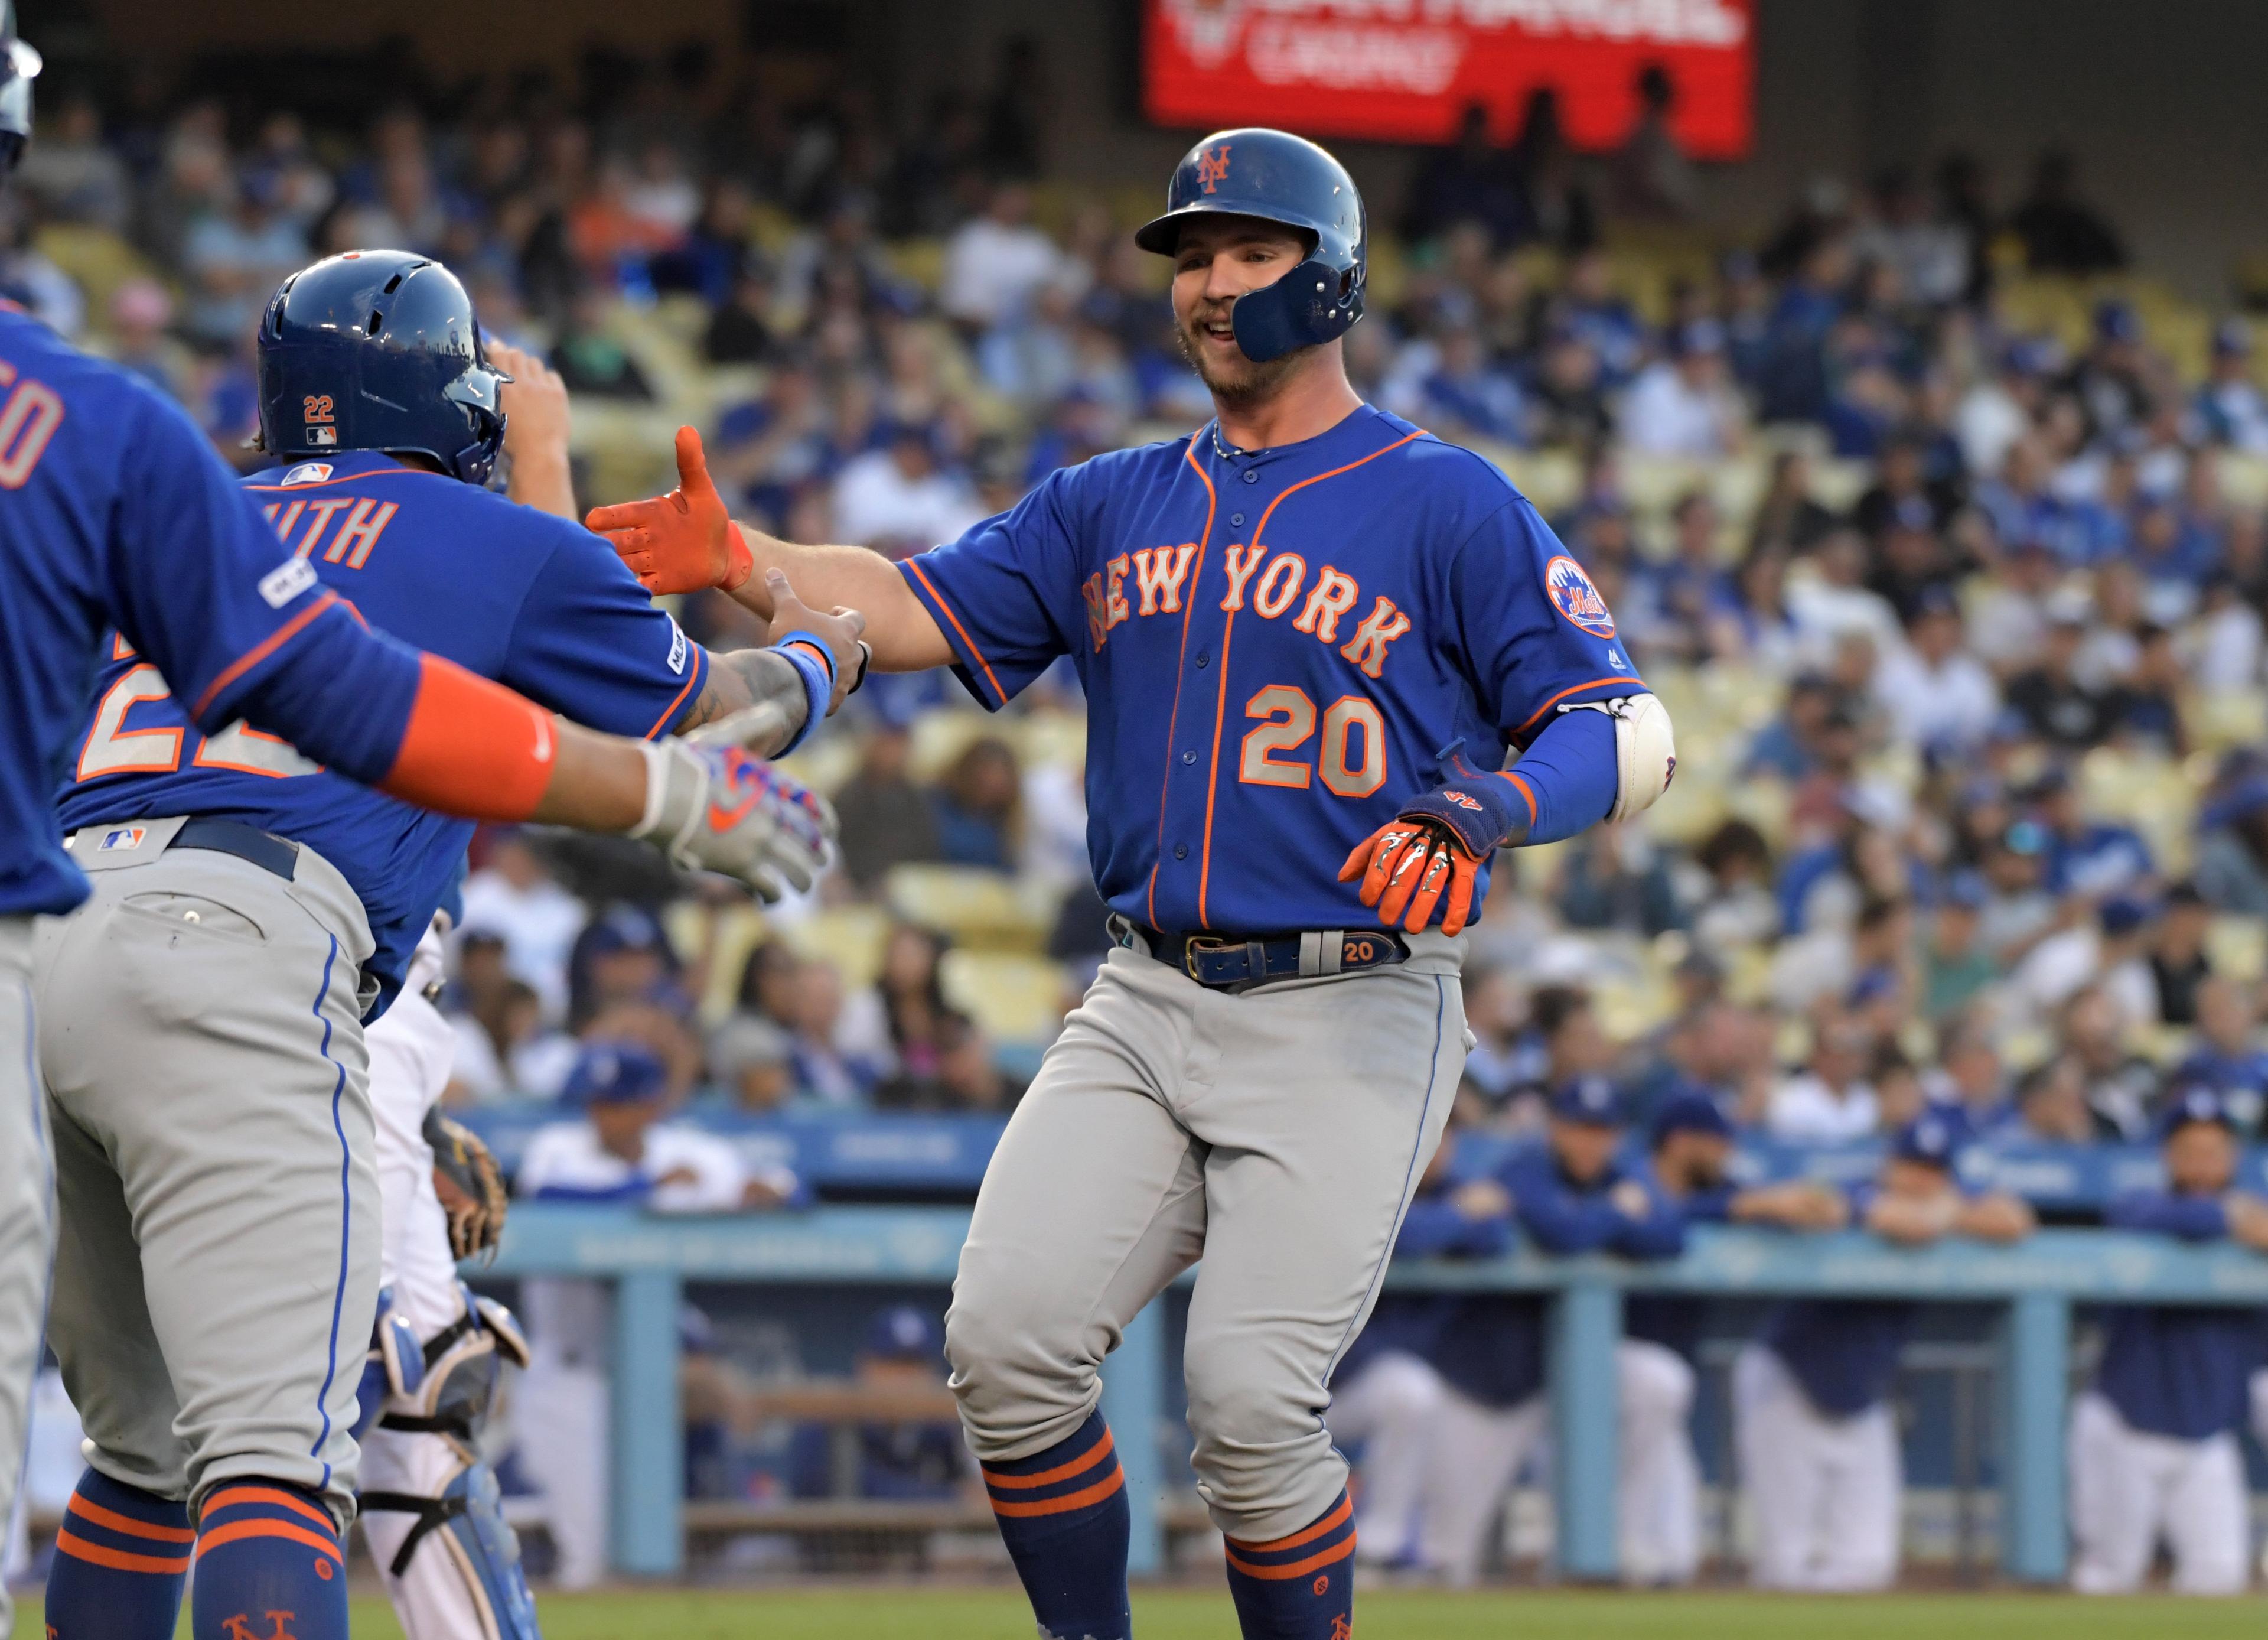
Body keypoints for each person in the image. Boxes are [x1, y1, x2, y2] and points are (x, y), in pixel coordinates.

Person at [585, 126, 1676, 1640]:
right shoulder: (1112, 496)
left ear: (1333, 277)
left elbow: (1628, 733)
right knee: (1007, 1344)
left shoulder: (1446, 501)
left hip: (1348, 998)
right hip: (1146, 991)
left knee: (1244, 1404)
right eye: (1191, 257)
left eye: (1246, 251)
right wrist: (749, 557)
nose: (1210, 286)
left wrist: (1485, 807)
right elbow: (909, 607)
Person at [0, 28, 814, 1640]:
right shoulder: (479, 530)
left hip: (47, 949)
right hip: (239, 945)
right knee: (274, 1464)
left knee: (140, 1456)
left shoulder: (177, 498)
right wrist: (824, 651)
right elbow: (703, 720)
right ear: (449, 400)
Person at [513, 1041, 800, 1589]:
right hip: (567, 1379)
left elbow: (790, 1189)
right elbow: (547, 1196)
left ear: (651, 1106)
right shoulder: (559, 1146)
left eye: (620, 1103)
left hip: (645, 1384)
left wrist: (764, 1193)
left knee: (645, 1562)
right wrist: (647, 1188)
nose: (605, 1115)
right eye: (598, 1103)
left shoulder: (682, 1150)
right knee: (589, 1557)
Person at [1734, 1114, 2034, 1590]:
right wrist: (1944, 1215)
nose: (1919, 1178)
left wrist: (1948, 1213)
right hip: (1790, 1377)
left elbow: (2015, 1220)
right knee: (1785, 1564)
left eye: (1932, 1170)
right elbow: (1891, 1220)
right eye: (1910, 1165)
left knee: (1867, 1564)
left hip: (1861, 1395)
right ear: (1889, 1165)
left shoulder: (1948, 1205)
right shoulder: (1852, 1191)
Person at [351, 905, 543, 1638]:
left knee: (436, 1378)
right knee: (323, 1374)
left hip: (394, 1019)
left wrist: (422, 1123)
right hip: (336, 996)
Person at [1415, 1077, 1684, 1586]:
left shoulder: (1624, 1172)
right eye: (1579, 1129)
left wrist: (1601, 1218)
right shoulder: (1525, 1168)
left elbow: (1670, 1236)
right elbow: (1564, 1236)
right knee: (1444, 1560)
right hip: (1488, 1381)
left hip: (1567, 1378)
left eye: (1601, 1131)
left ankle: (1622, 1540)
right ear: (1556, 1129)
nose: (1589, 1142)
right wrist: (1617, 1214)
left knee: (1658, 1381)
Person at [1624, 1092, 1847, 1583]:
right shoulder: (1629, 1180)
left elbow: (1782, 1205)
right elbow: (1663, 1218)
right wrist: (1752, 1204)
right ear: (1682, 1143)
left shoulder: (1723, 1189)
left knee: (1673, 1558)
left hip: (1662, 1398)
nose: (1727, 1155)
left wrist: (1806, 1206)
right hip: (1598, 1378)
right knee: (1609, 1551)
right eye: (1717, 1144)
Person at [2069, 1087, 2268, 1595]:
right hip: (2128, 1425)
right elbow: (2144, 1217)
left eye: (2215, 1152)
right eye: (2191, 1152)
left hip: (2207, 1436)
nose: (2203, 1165)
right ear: (2169, 1156)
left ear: (2233, 1157)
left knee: (2220, 1576)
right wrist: (2230, 1217)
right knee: (2112, 1576)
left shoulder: (2256, 1224)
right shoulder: (2141, 1206)